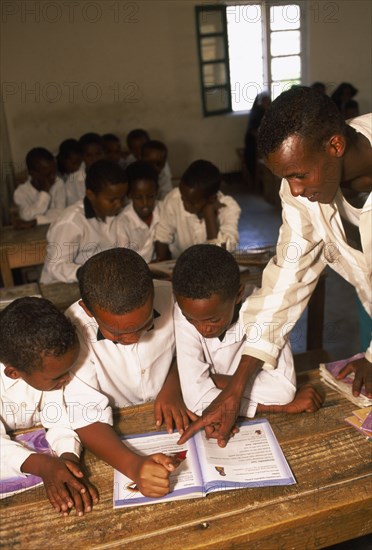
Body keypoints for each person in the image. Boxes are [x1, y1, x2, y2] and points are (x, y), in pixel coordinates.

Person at [178, 86, 371, 448]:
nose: (294, 190)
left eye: (299, 175)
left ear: (335, 146)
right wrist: (236, 389)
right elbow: (287, 279)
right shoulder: (303, 189)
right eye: (286, 178)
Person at [63, 248, 193, 496]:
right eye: (118, 334)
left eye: (147, 325)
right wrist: (134, 466)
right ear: (88, 310)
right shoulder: (72, 332)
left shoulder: (173, 298)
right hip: (113, 432)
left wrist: (172, 385)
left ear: (154, 292)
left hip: (170, 413)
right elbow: (86, 417)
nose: (133, 339)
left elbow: (193, 349)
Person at [172, 244, 322, 422]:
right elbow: (196, 401)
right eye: (191, 320)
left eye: (213, 320)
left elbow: (283, 390)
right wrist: (275, 407)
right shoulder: (184, 311)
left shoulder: (270, 309)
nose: (202, 328)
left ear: (238, 294)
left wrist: (212, 380)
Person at [0, 297, 98, 516]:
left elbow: (59, 420)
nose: (66, 379)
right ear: (13, 373)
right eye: (58, 376)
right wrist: (45, 466)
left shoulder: (48, 368)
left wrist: (68, 461)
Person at [40, 160, 128, 283]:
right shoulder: (71, 222)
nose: (119, 204)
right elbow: (55, 267)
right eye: (112, 200)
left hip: (103, 285)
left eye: (122, 197)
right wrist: (89, 273)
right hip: (63, 286)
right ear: (91, 195)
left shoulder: (118, 215)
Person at [155, 159, 241, 259]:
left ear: (211, 198)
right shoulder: (173, 199)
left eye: (192, 203)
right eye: (183, 198)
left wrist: (209, 214)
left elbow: (221, 254)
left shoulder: (228, 207)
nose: (185, 205)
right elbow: (162, 237)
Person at [118, 160, 161, 262]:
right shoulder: (122, 222)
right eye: (138, 197)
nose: (145, 203)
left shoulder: (163, 210)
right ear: (129, 194)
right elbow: (124, 261)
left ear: (157, 190)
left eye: (150, 196)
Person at [13, 147, 66, 229]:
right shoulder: (21, 192)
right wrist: (44, 193)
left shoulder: (58, 184)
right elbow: (26, 216)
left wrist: (35, 221)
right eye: (48, 174)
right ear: (32, 174)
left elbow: (61, 213)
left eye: (54, 172)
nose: (53, 177)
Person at [65, 133, 105, 206]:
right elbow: (71, 206)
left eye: (98, 154)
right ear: (82, 156)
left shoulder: (113, 175)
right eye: (89, 155)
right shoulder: (73, 180)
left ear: (104, 153)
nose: (95, 159)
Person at [244, 92, 271, 184]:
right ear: (260, 102)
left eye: (268, 100)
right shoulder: (257, 112)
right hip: (253, 142)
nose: (266, 103)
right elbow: (253, 130)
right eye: (264, 100)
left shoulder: (270, 112)